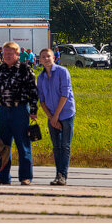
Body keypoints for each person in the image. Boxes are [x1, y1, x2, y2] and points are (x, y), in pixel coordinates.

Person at [0, 41, 38, 185]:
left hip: (20, 110)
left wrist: (33, 111)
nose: (7, 56)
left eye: (10, 54)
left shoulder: (25, 69)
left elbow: (33, 91)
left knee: (23, 144)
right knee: (3, 145)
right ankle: (3, 177)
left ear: (17, 54)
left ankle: (25, 177)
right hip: (4, 109)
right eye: (5, 54)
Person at [37, 48, 75, 186]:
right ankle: (58, 174)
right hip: (51, 114)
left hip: (65, 113)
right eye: (43, 57)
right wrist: (51, 117)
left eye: (48, 56)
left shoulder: (62, 72)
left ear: (54, 58)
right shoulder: (40, 78)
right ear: (40, 60)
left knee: (65, 145)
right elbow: (41, 99)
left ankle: (63, 175)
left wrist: (56, 116)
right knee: (56, 147)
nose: (46, 59)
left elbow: (65, 95)